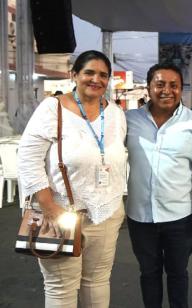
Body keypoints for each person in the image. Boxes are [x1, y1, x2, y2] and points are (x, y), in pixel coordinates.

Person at [17, 50, 127, 308]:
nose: (95, 79)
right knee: (61, 289)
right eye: (89, 72)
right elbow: (28, 158)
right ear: (74, 74)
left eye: (103, 75)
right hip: (60, 213)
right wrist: (50, 209)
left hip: (106, 212)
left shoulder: (115, 113)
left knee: (97, 281)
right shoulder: (52, 108)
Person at [125, 62, 192, 308]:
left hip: (179, 216)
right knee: (149, 273)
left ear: (181, 89)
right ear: (148, 88)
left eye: (174, 85)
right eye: (160, 84)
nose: (166, 90)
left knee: (178, 274)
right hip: (139, 216)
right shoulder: (128, 120)